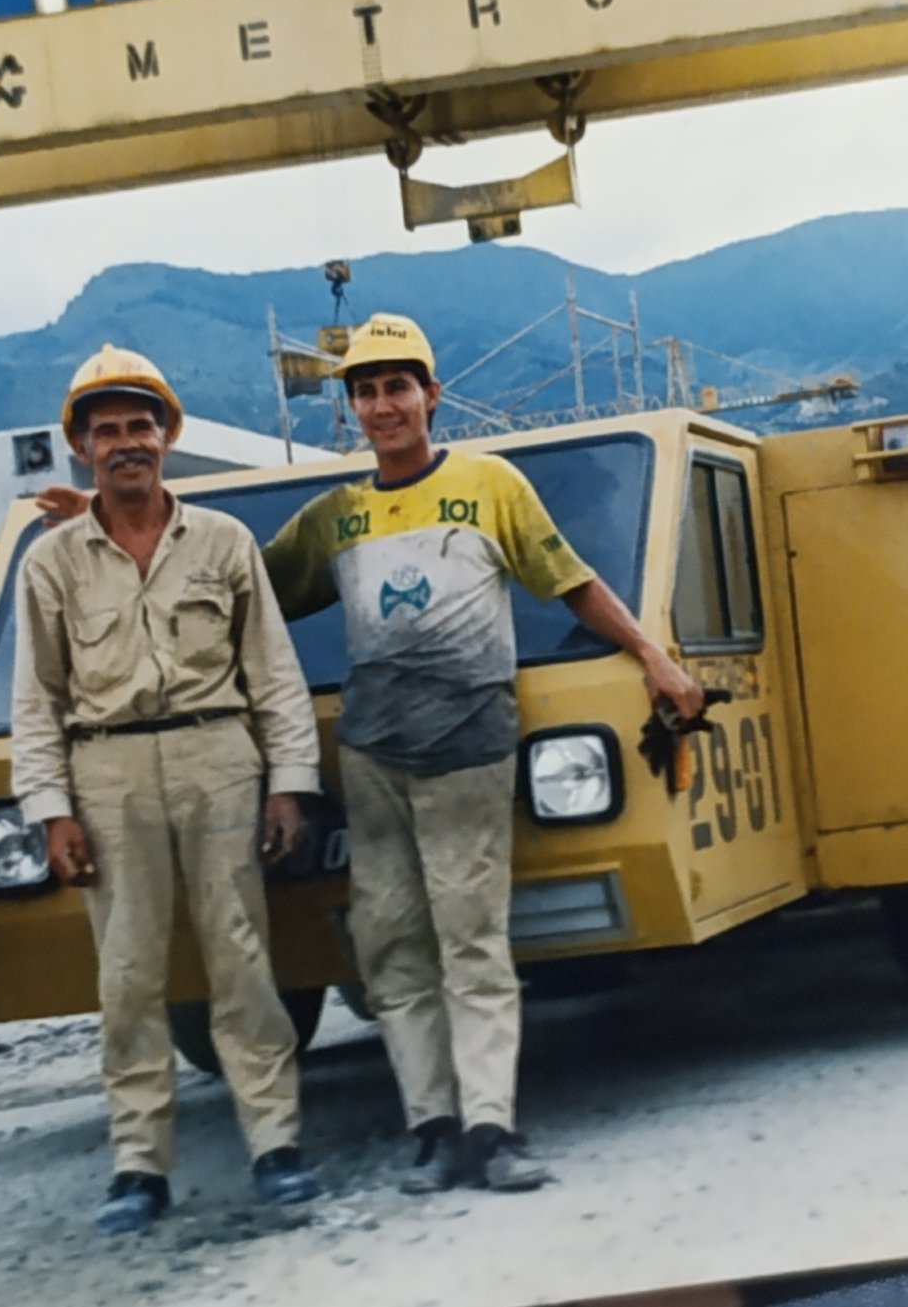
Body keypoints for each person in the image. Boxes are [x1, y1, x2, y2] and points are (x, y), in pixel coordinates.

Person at [262, 313, 706, 1191]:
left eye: (398, 387)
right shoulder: (334, 517)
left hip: (468, 745)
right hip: (373, 753)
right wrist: (114, 520)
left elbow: (569, 580)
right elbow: (239, 586)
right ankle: (433, 1129)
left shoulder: (489, 484)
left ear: (431, 394)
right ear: (351, 407)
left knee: (472, 940)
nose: (383, 406)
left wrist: (651, 655)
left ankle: (492, 1130)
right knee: (391, 945)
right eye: (366, 391)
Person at [9, 345, 325, 1234]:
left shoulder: (222, 542)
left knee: (242, 958)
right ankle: (139, 1165)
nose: (126, 443)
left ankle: (276, 1143)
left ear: (167, 437)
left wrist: (288, 783)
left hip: (217, 757)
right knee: (127, 974)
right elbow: (36, 696)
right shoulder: (52, 562)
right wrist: (51, 810)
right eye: (106, 430)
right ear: (82, 447)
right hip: (106, 770)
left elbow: (273, 672)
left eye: (140, 425)